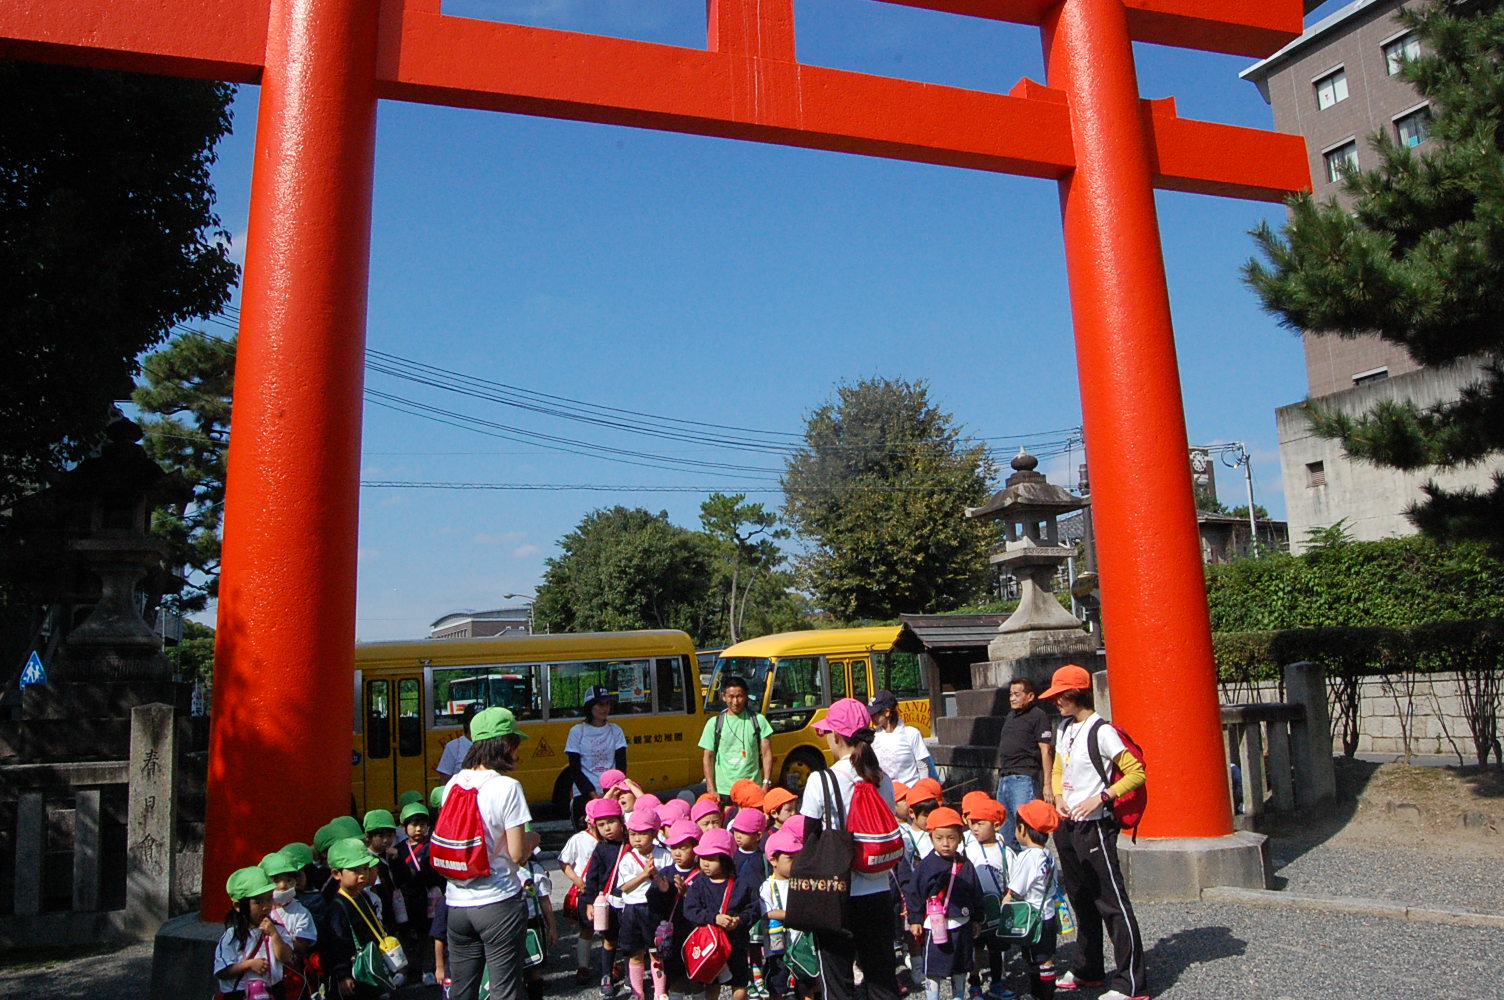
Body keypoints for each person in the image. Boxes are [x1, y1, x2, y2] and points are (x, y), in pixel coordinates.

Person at [1040, 665, 1146, 1000]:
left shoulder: (1102, 731)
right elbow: (1059, 767)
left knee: (1111, 901)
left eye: (1060, 695)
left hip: (1096, 824)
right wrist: (1058, 796)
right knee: (1080, 898)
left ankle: (1130, 983)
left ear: (1077, 694)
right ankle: (1088, 968)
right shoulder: (1064, 727)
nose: (1056, 701)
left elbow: (1136, 772)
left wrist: (1102, 797)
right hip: (1068, 823)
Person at [797, 697, 901, 1000]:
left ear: (836, 735)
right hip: (879, 888)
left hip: (836, 892)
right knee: (882, 978)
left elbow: (808, 838)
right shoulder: (881, 779)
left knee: (836, 981)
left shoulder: (821, 780)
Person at [442, 706, 540, 1000]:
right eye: (516, 743)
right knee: (504, 990)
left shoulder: (453, 784)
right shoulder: (507, 787)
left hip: (457, 903)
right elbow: (516, 854)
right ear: (506, 745)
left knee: (461, 990)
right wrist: (533, 838)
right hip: (497, 902)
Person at [904, 807, 982, 1000]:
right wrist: (915, 920)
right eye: (939, 838)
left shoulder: (965, 865)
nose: (945, 843)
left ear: (960, 838)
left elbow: (975, 893)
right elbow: (914, 893)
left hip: (961, 923)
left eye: (951, 838)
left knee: (960, 966)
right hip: (935, 925)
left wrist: (977, 919)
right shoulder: (927, 865)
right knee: (933, 967)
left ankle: (958, 996)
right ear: (931, 837)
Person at [682, 828, 761, 1000]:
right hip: (711, 945)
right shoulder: (699, 883)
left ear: (725, 859)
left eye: (711, 859)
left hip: (736, 942)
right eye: (702, 858)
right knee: (712, 984)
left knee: (740, 985)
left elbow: (754, 908)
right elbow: (690, 910)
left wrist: (739, 920)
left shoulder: (741, 883)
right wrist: (713, 918)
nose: (705, 863)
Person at [1002, 801, 1063, 1000]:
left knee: (1036, 959)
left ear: (1023, 829)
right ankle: (1044, 994)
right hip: (1048, 913)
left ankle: (1041, 995)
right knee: (1047, 957)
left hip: (1032, 917)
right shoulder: (1047, 853)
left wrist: (1005, 902)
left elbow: (1016, 888)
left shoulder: (1028, 856)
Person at [615, 807, 674, 1000]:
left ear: (654, 834)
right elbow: (624, 887)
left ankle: (660, 991)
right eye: (633, 834)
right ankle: (637, 991)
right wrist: (644, 874)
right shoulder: (628, 858)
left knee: (657, 952)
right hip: (633, 909)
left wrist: (655, 874)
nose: (637, 839)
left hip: (655, 908)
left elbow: (668, 886)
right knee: (635, 952)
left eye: (642, 834)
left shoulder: (664, 855)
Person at [994, 677, 1055, 851]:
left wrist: (1047, 784)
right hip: (1004, 778)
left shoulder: (1038, 716)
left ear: (1030, 696)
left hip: (1024, 778)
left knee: (1027, 831)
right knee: (1005, 835)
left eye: (1017, 694)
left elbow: (1046, 750)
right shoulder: (1010, 716)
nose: (1012, 698)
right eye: (1010, 694)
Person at [216, 865, 295, 1000]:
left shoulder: (278, 930)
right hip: (240, 994)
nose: (266, 906)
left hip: (272, 991)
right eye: (258, 902)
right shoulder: (232, 936)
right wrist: (249, 964)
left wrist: (274, 935)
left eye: (269, 899)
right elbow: (222, 971)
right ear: (238, 906)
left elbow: (285, 957)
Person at [962, 800, 1012, 1000]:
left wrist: (1009, 896)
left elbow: (1012, 878)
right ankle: (974, 985)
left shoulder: (1004, 850)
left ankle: (997, 983)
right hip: (977, 908)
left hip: (998, 907)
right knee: (976, 948)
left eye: (981, 823)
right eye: (973, 822)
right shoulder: (968, 849)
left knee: (996, 949)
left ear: (996, 825)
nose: (975, 828)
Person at [699, 675, 774, 802]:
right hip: (724, 790)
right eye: (731, 697)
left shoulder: (759, 720)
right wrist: (711, 788)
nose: (735, 702)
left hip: (752, 789)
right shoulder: (714, 723)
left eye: (739, 696)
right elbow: (708, 757)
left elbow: (767, 754)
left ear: (746, 696)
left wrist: (766, 783)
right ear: (724, 696)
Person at [561, 798, 610, 986]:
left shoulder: (611, 840)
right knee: (586, 929)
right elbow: (563, 861)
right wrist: (576, 879)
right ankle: (583, 966)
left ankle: (610, 965)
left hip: (607, 890)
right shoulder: (578, 839)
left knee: (609, 931)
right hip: (586, 890)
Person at [567, 685, 630, 828]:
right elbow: (574, 769)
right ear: (590, 706)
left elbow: (621, 766)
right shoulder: (577, 731)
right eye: (600, 704)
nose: (605, 708)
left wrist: (611, 792)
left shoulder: (615, 730)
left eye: (607, 704)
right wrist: (592, 794)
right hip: (584, 796)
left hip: (612, 794)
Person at [869, 690, 937, 786]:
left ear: (887, 712)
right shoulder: (873, 737)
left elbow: (922, 766)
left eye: (874, 713)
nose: (871, 717)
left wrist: (921, 789)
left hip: (910, 792)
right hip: (885, 792)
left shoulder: (911, 734)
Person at [436, 704, 482, 780]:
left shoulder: (491, 745)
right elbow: (444, 780)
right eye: (476, 720)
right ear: (467, 723)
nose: (481, 723)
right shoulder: (453, 747)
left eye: (483, 720)